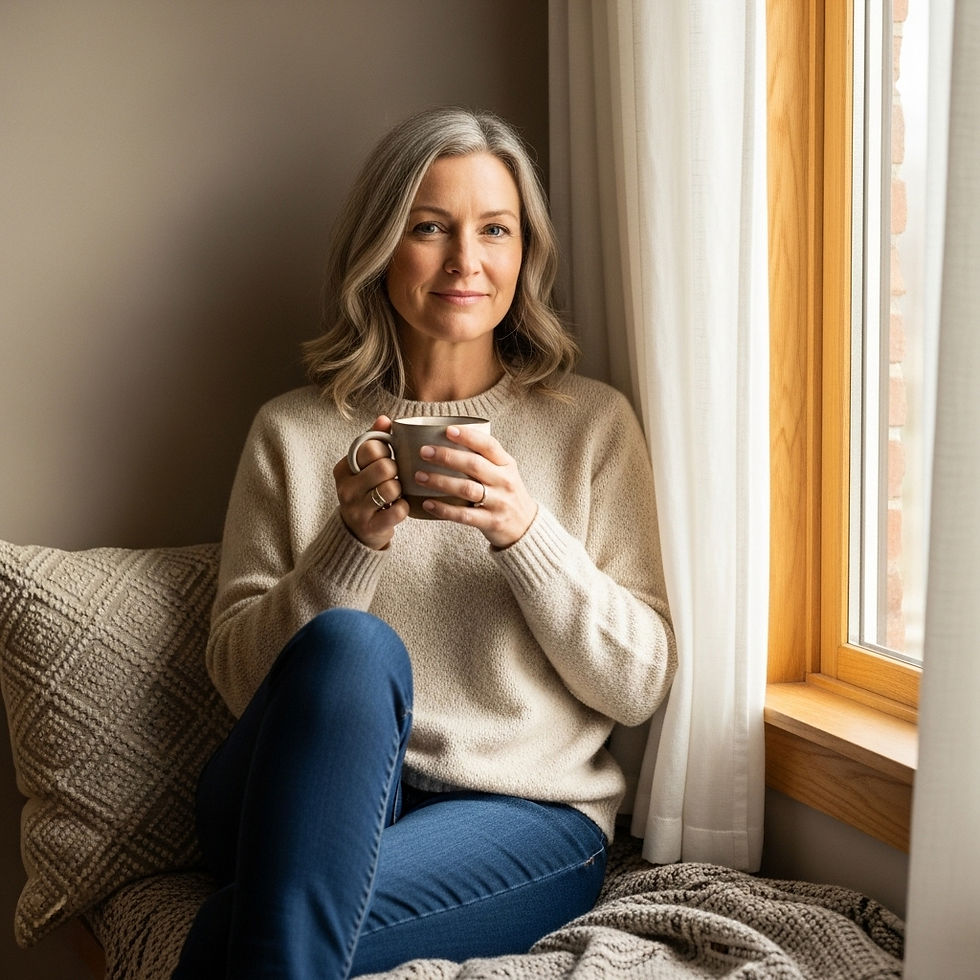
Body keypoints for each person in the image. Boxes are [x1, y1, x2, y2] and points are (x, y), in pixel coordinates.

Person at [173, 106, 676, 979]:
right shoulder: (291, 433)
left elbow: (635, 685)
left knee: (234, 938)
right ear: (380, 248)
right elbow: (240, 682)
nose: (466, 262)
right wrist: (350, 543)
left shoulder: (593, 425)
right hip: (299, 794)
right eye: (430, 228)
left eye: (496, 230)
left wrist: (524, 532)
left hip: (519, 812)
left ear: (527, 253)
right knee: (351, 644)